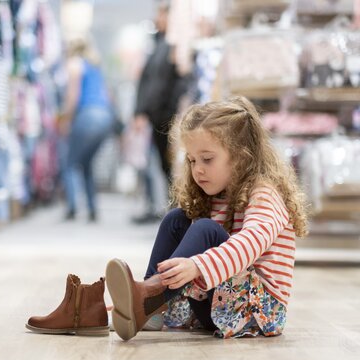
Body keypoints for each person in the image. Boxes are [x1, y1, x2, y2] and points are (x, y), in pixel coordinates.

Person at [106, 96, 308, 341]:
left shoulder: (264, 194)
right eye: (191, 160)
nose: (197, 169)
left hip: (258, 312)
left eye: (207, 159)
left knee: (206, 230)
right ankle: (150, 305)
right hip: (220, 305)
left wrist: (198, 265)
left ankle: (148, 298)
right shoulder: (215, 195)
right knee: (177, 219)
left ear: (241, 156)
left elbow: (250, 243)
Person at [131, 1, 191, 224]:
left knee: (173, 164)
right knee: (163, 165)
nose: (158, 19)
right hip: (155, 116)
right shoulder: (157, 44)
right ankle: (173, 211)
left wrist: (177, 112)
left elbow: (180, 82)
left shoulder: (176, 46)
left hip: (170, 115)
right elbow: (145, 81)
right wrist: (139, 112)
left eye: (162, 14)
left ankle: (178, 211)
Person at [58, 37, 114, 222]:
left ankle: (72, 207)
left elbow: (73, 96)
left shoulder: (75, 64)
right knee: (87, 164)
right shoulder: (96, 66)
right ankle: (92, 208)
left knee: (71, 163)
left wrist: (65, 117)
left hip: (87, 116)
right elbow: (108, 95)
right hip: (105, 117)